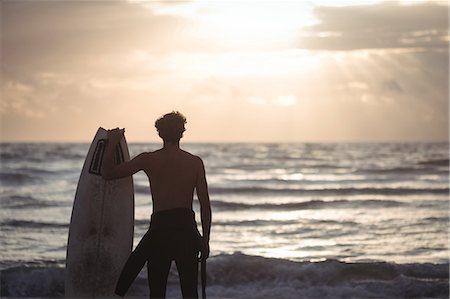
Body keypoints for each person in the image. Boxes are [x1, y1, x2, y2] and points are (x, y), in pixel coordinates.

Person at [101, 111, 211, 299]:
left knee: (157, 293)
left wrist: (112, 142)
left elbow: (108, 173)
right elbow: (205, 205)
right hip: (186, 231)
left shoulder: (148, 160)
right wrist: (205, 239)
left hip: (160, 231)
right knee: (190, 293)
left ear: (159, 133)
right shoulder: (195, 162)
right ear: (182, 132)